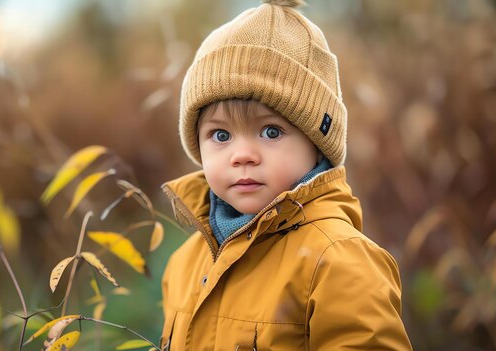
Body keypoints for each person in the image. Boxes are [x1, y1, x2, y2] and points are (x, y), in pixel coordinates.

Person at [159, 0, 412, 349]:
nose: (242, 155)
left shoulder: (338, 260)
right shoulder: (185, 264)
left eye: (271, 132)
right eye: (221, 135)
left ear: (316, 144)